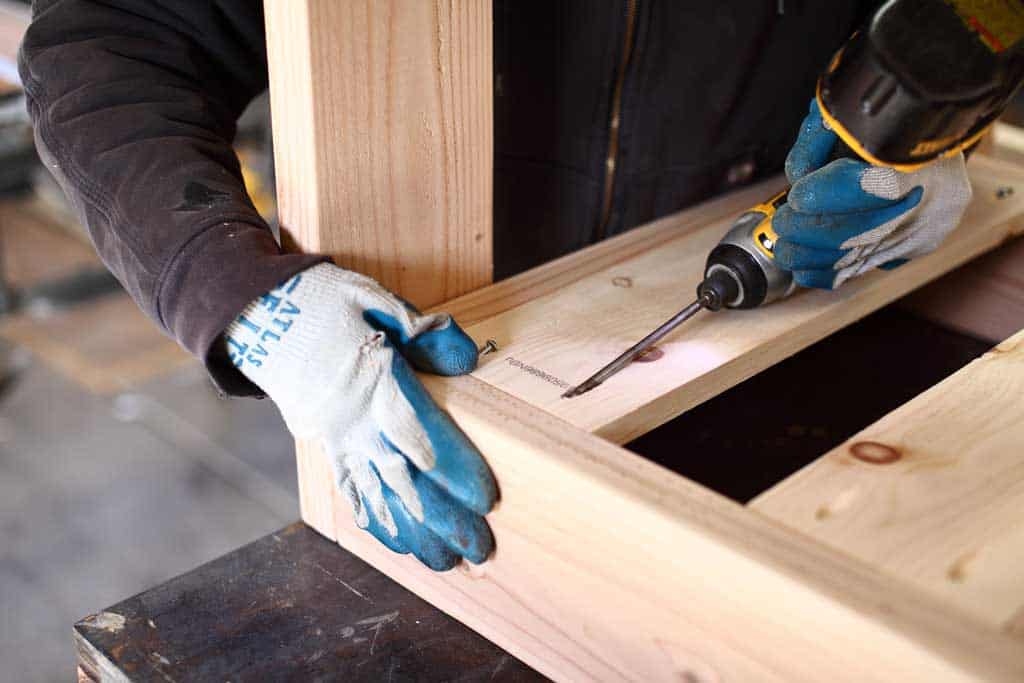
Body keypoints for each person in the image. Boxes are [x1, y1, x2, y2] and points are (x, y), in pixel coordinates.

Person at [18, 1, 971, 570]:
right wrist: (239, 293)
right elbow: (111, 41)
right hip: (428, 375)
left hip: (780, 365)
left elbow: (965, 29)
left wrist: (935, 146)